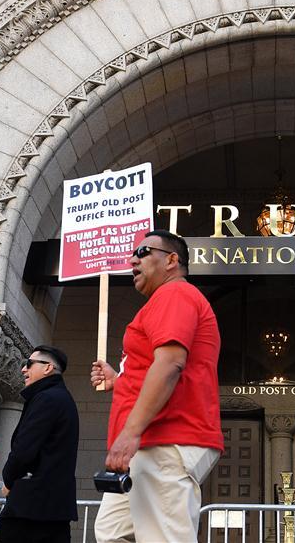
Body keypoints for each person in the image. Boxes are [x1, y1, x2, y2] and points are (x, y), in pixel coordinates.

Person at [91, 230, 223, 543]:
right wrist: (118, 380)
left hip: (165, 437)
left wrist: (131, 432)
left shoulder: (175, 294)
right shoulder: (164, 301)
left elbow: (170, 364)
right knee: (112, 533)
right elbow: (158, 365)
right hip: (149, 443)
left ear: (172, 260)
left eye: (143, 251)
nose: (133, 259)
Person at [0, 345, 79, 543]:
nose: (24, 369)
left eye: (29, 364)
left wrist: (8, 479)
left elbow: (23, 450)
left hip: (30, 510)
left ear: (48, 368)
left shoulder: (46, 399)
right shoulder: (62, 399)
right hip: (52, 510)